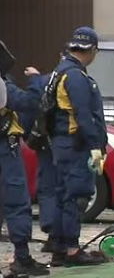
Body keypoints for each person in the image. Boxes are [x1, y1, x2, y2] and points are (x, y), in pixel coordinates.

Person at [48, 27, 107, 267]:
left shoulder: (59, 72)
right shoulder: (75, 77)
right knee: (76, 196)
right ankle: (72, 250)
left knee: (63, 197)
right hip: (76, 145)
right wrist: (95, 146)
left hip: (62, 143)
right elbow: (84, 115)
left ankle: (60, 248)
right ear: (92, 50)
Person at [0, 39, 48, 275]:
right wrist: (36, 81)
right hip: (4, 149)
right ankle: (22, 257)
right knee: (16, 202)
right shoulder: (3, 86)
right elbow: (29, 103)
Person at [22, 56, 64, 253]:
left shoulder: (43, 82)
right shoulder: (75, 79)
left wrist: (28, 134)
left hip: (45, 143)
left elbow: (28, 108)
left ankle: (52, 232)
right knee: (64, 189)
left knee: (47, 188)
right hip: (65, 143)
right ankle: (61, 236)